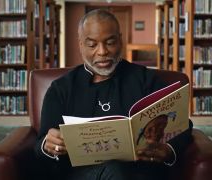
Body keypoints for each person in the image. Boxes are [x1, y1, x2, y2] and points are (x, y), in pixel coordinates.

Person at [34, 9, 193, 180]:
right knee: (113, 169)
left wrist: (168, 150)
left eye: (110, 42)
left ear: (120, 40)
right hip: (80, 174)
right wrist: (49, 144)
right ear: (81, 44)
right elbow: (41, 144)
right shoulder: (61, 88)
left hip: (140, 172)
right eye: (92, 45)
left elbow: (182, 126)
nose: (102, 52)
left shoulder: (146, 79)